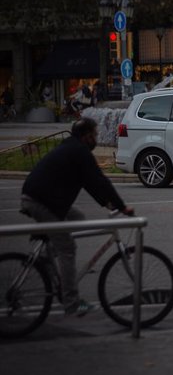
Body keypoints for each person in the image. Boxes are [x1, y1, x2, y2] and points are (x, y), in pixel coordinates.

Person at [20, 118, 134, 316]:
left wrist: (107, 203)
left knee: (78, 218)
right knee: (67, 248)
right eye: (95, 135)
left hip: (43, 198)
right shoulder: (79, 151)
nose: (97, 138)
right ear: (86, 135)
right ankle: (71, 303)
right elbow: (100, 180)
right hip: (40, 201)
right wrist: (122, 207)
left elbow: (89, 182)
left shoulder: (73, 147)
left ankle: (46, 257)